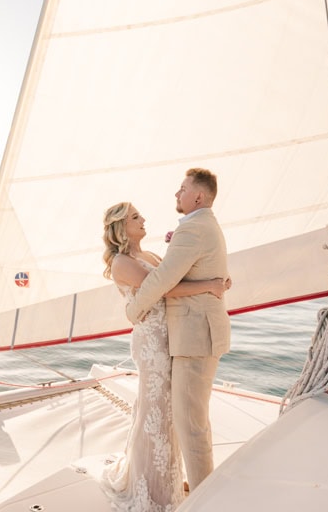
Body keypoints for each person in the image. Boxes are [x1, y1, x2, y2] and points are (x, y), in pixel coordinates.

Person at [102, 200, 229, 512]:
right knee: (155, 412)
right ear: (121, 227)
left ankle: (171, 482)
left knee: (170, 412)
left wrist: (187, 255)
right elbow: (164, 289)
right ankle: (153, 491)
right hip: (152, 343)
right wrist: (209, 285)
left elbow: (176, 276)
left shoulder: (150, 255)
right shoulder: (122, 262)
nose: (143, 219)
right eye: (135, 217)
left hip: (171, 337)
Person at [125, 168, 231, 492]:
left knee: (190, 425)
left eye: (182, 188)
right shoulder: (202, 226)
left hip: (195, 337)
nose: (176, 194)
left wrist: (134, 309)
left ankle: (203, 498)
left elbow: (162, 281)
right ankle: (203, 486)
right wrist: (211, 283)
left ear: (198, 196)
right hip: (198, 334)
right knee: (194, 421)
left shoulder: (194, 230)